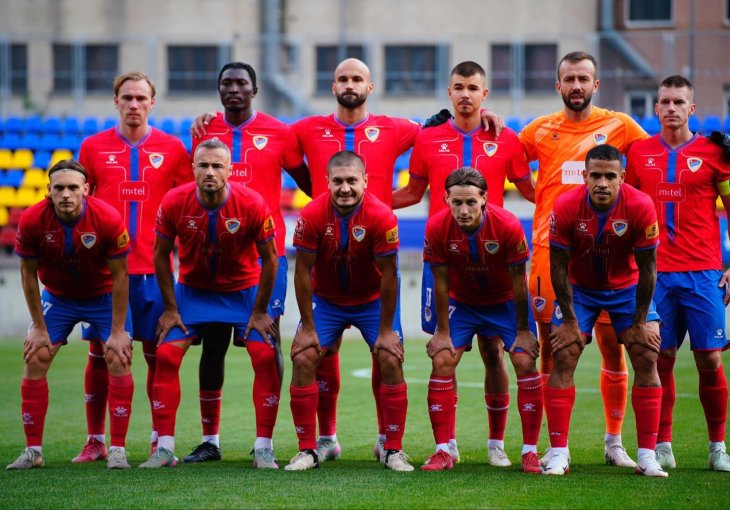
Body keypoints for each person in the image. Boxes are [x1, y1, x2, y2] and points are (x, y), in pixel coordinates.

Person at [392, 61, 535, 466]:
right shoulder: (428, 138)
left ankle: (496, 444)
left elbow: (530, 190)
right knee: (445, 354)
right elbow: (412, 192)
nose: (466, 94)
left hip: (493, 262)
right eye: (459, 87)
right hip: (445, 261)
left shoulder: (506, 138)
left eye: (473, 87)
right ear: (449, 92)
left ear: (484, 94)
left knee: (494, 352)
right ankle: (447, 445)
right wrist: (368, 202)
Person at [519, 51, 648, 467]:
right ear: (558, 85)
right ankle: (553, 445)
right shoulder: (538, 130)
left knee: (613, 346)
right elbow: (508, 160)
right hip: (550, 250)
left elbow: (652, 158)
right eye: (569, 79)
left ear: (597, 84)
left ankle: (614, 442)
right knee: (553, 347)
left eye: (584, 79)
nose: (577, 86)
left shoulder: (621, 125)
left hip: (607, 253)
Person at [183, 62, 311, 467]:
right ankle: (210, 440)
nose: (234, 88)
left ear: (255, 90)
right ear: (218, 89)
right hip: (214, 259)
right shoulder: (204, 131)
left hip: (263, 259)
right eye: (227, 83)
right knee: (213, 346)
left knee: (265, 345)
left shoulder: (280, 132)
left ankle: (264, 442)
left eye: (241, 83)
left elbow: (312, 185)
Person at [139, 139, 278, 468]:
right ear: (193, 169)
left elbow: (271, 259)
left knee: (265, 355)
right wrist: (170, 308)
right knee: (166, 355)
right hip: (193, 293)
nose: (210, 172)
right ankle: (165, 448)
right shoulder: (175, 201)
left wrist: (260, 311)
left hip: (243, 293)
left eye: (217, 166)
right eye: (203, 165)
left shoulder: (252, 202)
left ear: (230, 170)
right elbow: (160, 254)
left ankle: (263, 447)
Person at [74, 71, 191, 462]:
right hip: (105, 276)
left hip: (155, 274)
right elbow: (79, 205)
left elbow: (186, 203)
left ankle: (159, 439)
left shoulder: (173, 149)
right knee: (100, 355)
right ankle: (95, 439)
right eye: (127, 98)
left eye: (141, 98)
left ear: (153, 103)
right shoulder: (92, 147)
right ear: (116, 101)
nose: (134, 105)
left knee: (157, 356)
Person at [625, 75, 730, 472]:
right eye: (665, 101)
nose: (671, 108)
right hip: (655, 276)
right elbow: (628, 209)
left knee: (710, 360)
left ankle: (717, 447)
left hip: (704, 273)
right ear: (655, 108)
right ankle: (663, 444)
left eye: (679, 102)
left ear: (692, 108)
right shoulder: (638, 153)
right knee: (659, 358)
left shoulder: (715, 154)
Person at [285, 150, 412, 472]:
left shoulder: (382, 216)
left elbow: (390, 275)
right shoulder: (312, 214)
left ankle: (392, 448)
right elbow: (302, 272)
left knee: (390, 357)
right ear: (327, 182)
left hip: (372, 300)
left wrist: (386, 331)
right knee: (303, 356)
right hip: (327, 300)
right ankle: (308, 449)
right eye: (338, 181)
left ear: (365, 181)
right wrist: (308, 328)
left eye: (352, 181)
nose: (345, 188)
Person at [544, 144, 666, 477]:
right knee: (564, 352)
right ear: (584, 176)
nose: (602, 183)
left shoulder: (640, 205)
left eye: (610, 176)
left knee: (646, 353)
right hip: (580, 290)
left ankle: (647, 456)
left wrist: (640, 322)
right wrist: (570, 322)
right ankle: (558, 453)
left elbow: (649, 268)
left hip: (626, 288)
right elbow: (558, 267)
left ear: (622, 177)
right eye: (595, 175)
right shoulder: (566, 206)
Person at [7, 160, 133, 470]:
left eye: (73, 188)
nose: (66, 194)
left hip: (103, 296)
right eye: (59, 188)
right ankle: (33, 451)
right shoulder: (32, 219)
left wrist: (118, 331)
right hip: (59, 298)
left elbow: (121, 275)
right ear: (48, 190)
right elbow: (27, 274)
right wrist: (38, 328)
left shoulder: (107, 218)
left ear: (86, 189)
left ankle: (118, 449)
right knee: (36, 356)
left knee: (118, 357)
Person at [418, 167, 542, 473]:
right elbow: (441, 282)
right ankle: (443, 450)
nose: (463, 210)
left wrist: (523, 330)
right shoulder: (437, 227)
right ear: (445, 199)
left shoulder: (507, 225)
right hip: (462, 303)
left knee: (523, 360)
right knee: (442, 359)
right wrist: (442, 332)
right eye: (457, 202)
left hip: (503, 302)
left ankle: (523, 451)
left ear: (484, 198)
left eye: (471, 202)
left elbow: (519, 281)